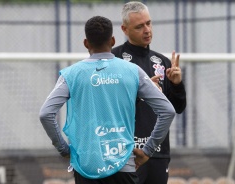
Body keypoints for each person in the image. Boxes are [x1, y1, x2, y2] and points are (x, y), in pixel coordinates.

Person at [39, 15, 176, 184]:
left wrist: (63, 149)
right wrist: (148, 150)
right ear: (112, 40)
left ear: (86, 43)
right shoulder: (133, 71)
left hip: (87, 166)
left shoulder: (72, 74)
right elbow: (168, 111)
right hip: (123, 165)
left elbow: (46, 114)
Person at [112, 2, 187, 184]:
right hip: (124, 153)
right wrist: (137, 93)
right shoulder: (114, 60)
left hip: (157, 152)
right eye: (139, 26)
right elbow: (107, 106)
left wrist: (177, 84)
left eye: (149, 23)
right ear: (125, 29)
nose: (147, 30)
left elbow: (177, 108)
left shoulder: (162, 62)